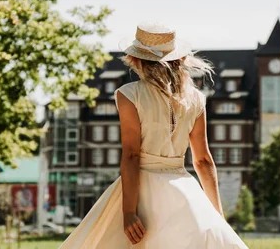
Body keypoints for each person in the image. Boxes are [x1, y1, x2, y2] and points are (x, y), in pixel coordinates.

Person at [59, 23, 248, 248]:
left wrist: (129, 212)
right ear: (179, 60)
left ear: (137, 59)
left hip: (141, 189)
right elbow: (203, 160)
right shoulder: (196, 99)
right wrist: (217, 215)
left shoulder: (129, 94)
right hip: (184, 189)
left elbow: (131, 155)